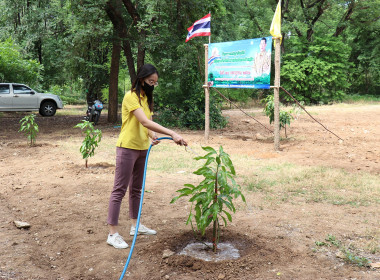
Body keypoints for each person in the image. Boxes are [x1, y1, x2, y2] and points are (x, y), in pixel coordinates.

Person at [106, 64, 187, 249]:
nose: (153, 85)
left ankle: (136, 226)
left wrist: (152, 135)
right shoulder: (131, 96)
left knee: (136, 189)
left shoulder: (145, 98)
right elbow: (143, 120)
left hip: (143, 148)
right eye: (151, 82)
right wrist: (172, 133)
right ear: (142, 79)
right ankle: (112, 234)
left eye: (155, 83)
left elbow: (145, 125)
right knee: (119, 189)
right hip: (127, 148)